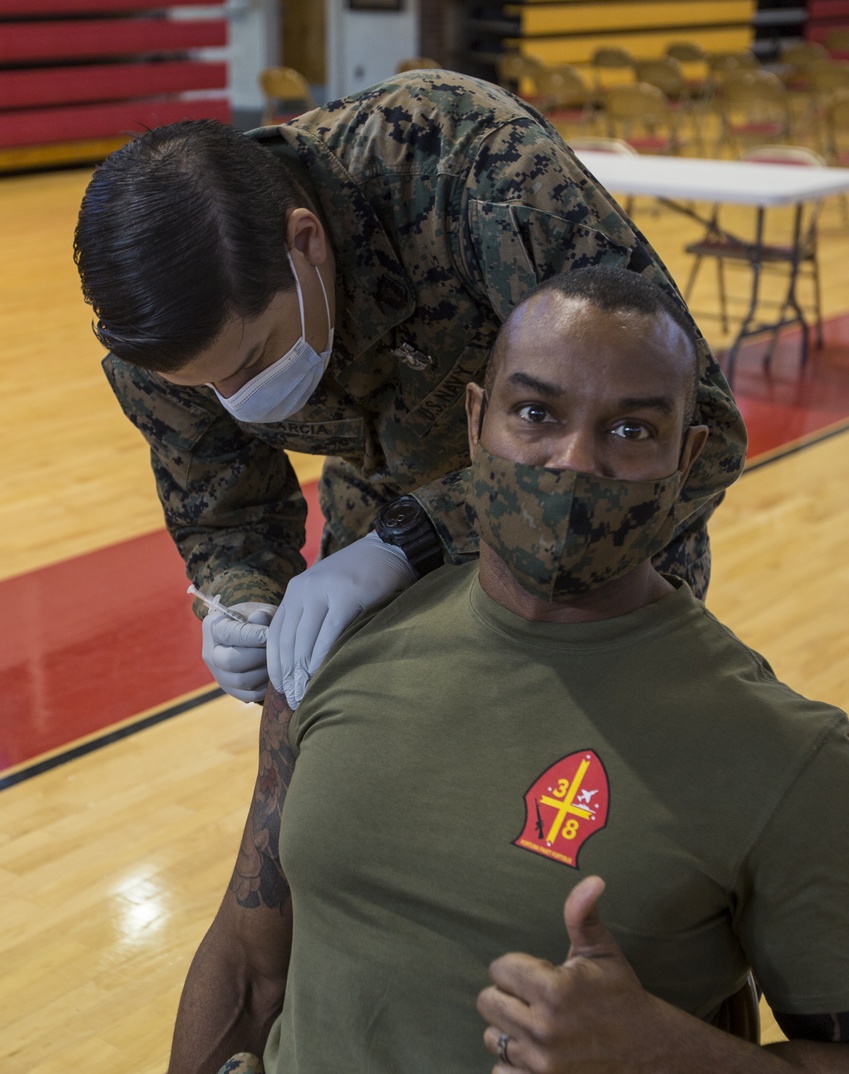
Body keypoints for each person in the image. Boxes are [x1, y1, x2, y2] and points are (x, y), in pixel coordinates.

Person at [0, 269, 849, 1074]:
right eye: (536, 413)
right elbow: (249, 960)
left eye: (630, 430)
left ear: (687, 456)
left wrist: (662, 1052)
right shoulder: (339, 645)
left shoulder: (781, 754)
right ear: (475, 421)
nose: (571, 463)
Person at [72, 69, 747, 710]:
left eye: (253, 358)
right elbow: (226, 512)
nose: (234, 395)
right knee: (342, 784)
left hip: (588, 532)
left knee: (578, 799)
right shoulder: (156, 330)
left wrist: (418, 536)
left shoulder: (473, 166)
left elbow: (704, 434)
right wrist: (242, 600)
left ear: (305, 242)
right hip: (378, 532)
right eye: (202, 387)